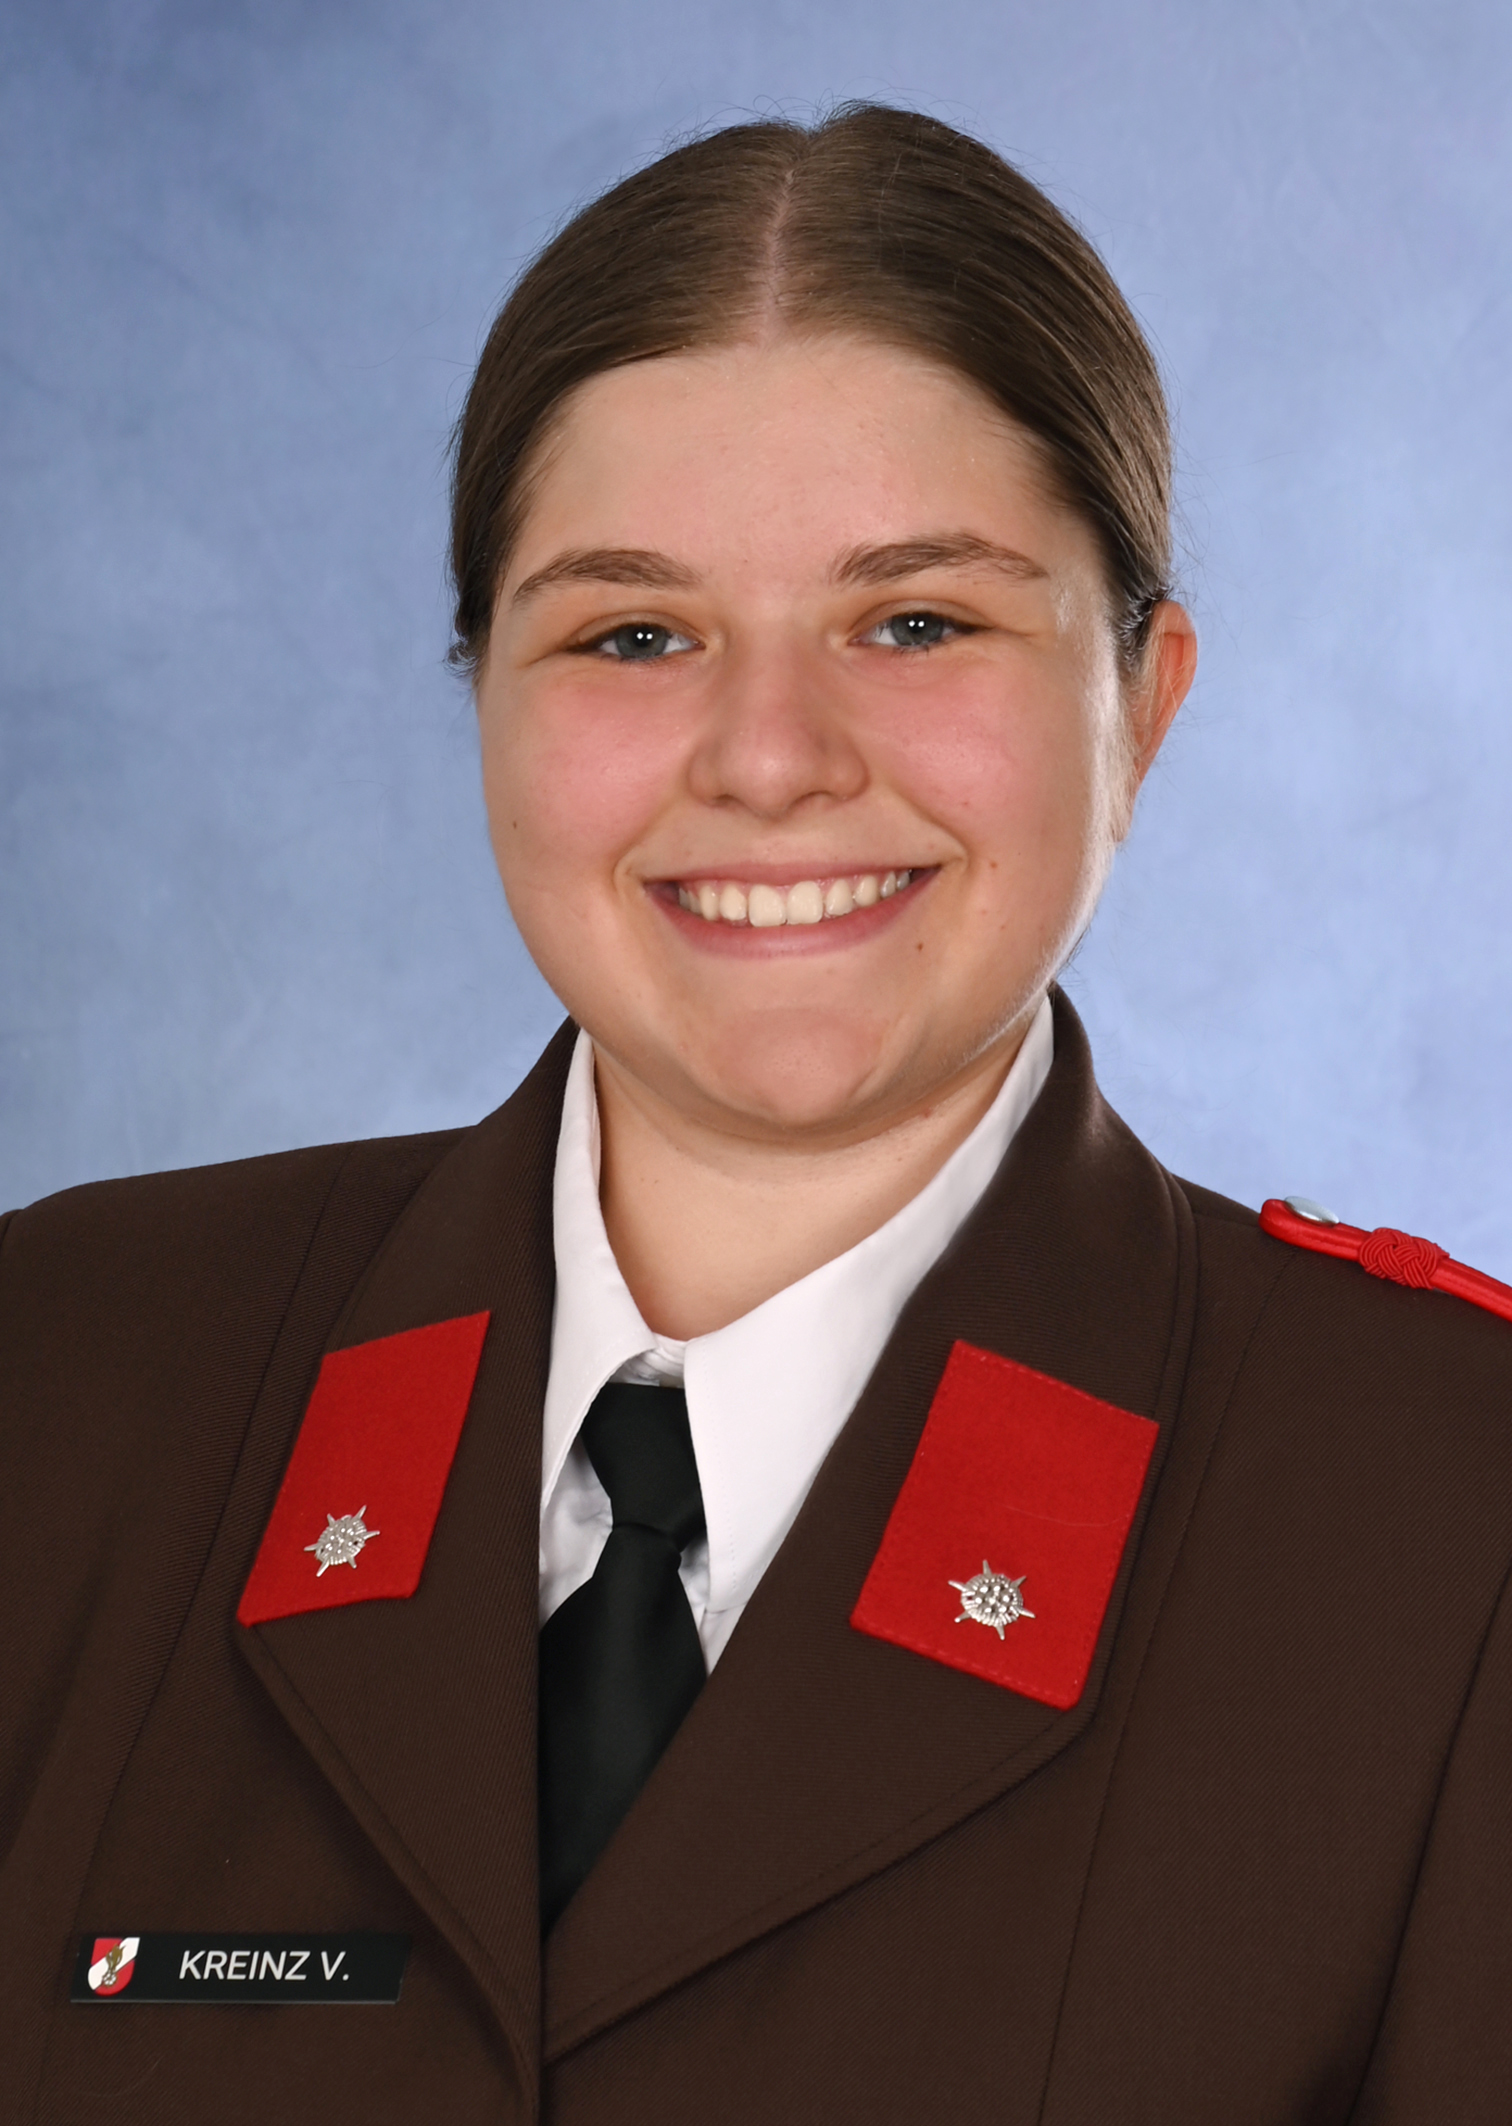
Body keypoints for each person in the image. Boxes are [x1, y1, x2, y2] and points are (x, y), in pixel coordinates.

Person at [3, 102, 1511, 2125]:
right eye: (633, 634)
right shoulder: (68, 1376)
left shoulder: (1449, 1519)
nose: (771, 756)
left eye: (917, 621)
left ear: (1144, 702)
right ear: (482, 694)